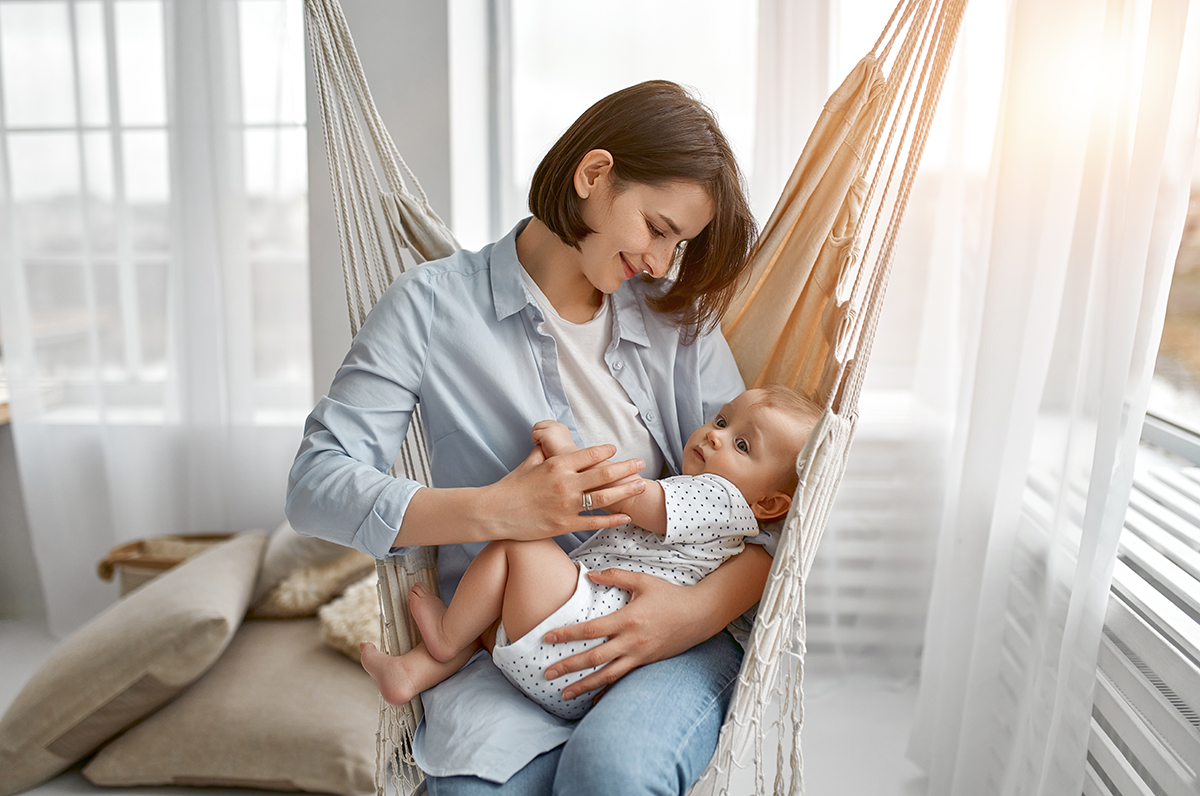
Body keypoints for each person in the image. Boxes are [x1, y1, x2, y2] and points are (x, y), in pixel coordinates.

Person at [286, 79, 763, 795]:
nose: (664, 262)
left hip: (674, 632)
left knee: (611, 773)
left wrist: (686, 615)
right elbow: (316, 484)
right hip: (507, 649)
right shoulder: (431, 306)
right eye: (658, 229)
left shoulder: (676, 321)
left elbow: (767, 519)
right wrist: (493, 512)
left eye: (680, 244)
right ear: (594, 175)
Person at [360, 385, 818, 722]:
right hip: (579, 664)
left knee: (518, 540)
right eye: (721, 421)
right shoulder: (724, 518)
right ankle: (412, 673)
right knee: (495, 603)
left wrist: (567, 453)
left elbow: (632, 498)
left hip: (584, 626)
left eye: (742, 445)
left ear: (769, 506)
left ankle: (442, 635)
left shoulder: (721, 499)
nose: (716, 436)